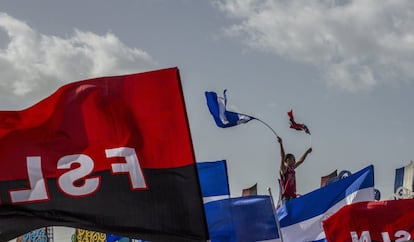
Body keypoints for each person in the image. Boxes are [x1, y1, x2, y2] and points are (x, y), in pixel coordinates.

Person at [278, 136, 312, 204]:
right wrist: (281, 144)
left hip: (293, 196)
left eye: (294, 159)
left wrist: (307, 152)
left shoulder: (292, 168)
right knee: (288, 213)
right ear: (286, 161)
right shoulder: (284, 169)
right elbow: (282, 156)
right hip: (286, 197)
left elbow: (300, 161)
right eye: (291, 159)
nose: (294, 161)